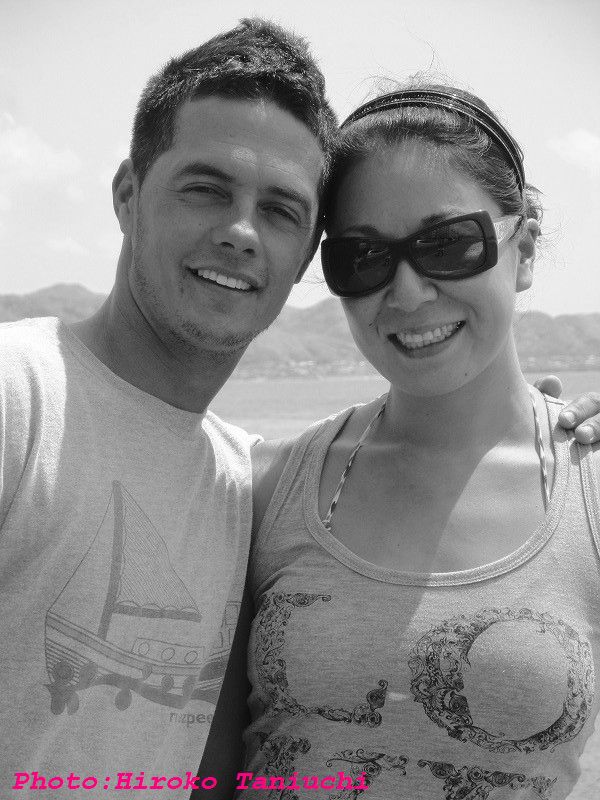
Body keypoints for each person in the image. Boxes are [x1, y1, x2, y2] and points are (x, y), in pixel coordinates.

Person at [0, 19, 337, 798]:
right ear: (128, 195)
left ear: (306, 256)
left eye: (281, 210)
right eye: (206, 189)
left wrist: (548, 435)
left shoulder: (242, 487)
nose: (241, 233)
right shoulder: (19, 399)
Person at [236, 84, 600, 799]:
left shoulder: (587, 492)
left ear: (524, 250)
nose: (406, 292)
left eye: (448, 244)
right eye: (362, 256)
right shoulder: (271, 488)